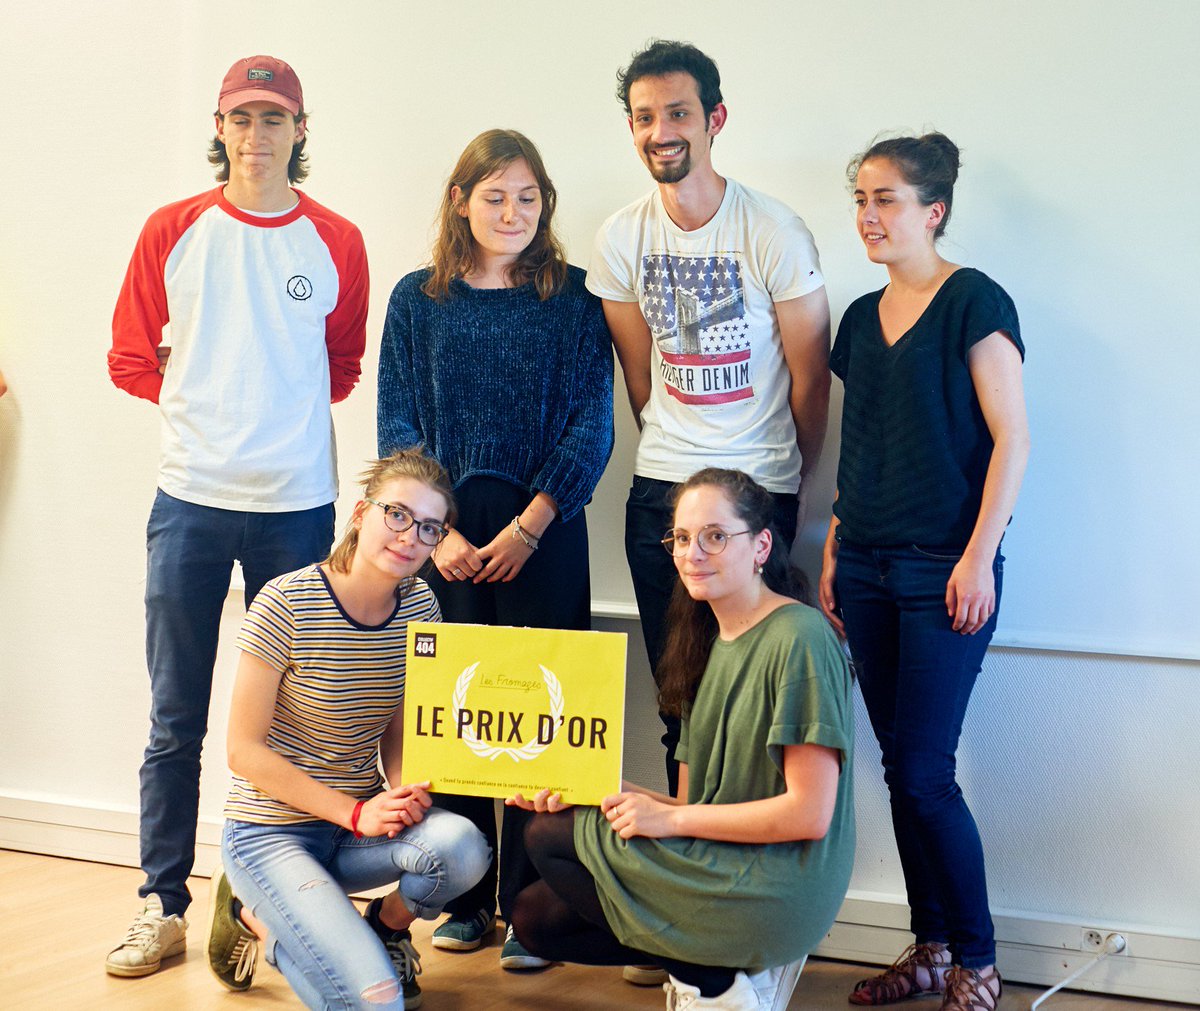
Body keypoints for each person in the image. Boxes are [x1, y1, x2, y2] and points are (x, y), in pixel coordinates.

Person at [105, 55, 368, 977]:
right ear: (218, 127)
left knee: (300, 722)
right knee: (176, 713)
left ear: (300, 131)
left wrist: (269, 424)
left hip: (298, 509)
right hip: (190, 503)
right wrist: (207, 414)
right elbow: (130, 356)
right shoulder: (172, 230)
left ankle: (259, 901)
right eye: (241, 117)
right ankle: (160, 903)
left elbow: (341, 366)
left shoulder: (336, 239)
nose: (256, 135)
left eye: (274, 119)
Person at [377, 129, 614, 969]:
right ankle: (468, 896)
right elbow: (399, 423)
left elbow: (593, 422)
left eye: (527, 197)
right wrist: (436, 535)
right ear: (459, 200)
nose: (512, 212)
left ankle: (532, 907)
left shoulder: (575, 299)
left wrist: (529, 525)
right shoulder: (416, 300)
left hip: (543, 530)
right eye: (494, 196)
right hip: (445, 535)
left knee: (539, 717)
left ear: (545, 204)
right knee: (459, 718)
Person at [508, 468, 855, 1011]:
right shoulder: (705, 643)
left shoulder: (800, 638)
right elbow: (694, 805)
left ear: (762, 545)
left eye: (716, 536)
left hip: (783, 879)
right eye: (682, 538)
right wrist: (597, 788)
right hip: (719, 853)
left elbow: (807, 814)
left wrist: (665, 820)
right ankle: (715, 976)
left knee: (549, 835)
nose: (694, 553)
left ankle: (717, 987)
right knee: (533, 916)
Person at [586, 40, 831, 796]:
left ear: (714, 118)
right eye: (644, 116)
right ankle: (688, 869)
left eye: (679, 113)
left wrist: (787, 481)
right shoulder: (621, 237)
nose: (661, 130)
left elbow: (811, 379)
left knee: (765, 704)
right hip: (661, 489)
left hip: (758, 487)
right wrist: (678, 446)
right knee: (680, 702)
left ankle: (760, 883)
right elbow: (638, 373)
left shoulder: (774, 231)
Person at [818, 133, 1029, 1011]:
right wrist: (833, 547)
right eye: (861, 199)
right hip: (863, 565)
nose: (869, 215)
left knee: (925, 771)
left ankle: (979, 960)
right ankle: (931, 946)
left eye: (887, 199)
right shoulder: (861, 320)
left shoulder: (974, 300)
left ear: (932, 210)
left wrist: (979, 554)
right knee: (903, 766)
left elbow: (1012, 439)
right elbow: (857, 444)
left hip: (946, 570)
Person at [205, 449, 491, 1009]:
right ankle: (253, 916)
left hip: (353, 833)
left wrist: (407, 788)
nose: (410, 536)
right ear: (362, 513)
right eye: (398, 514)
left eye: (430, 528)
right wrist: (356, 811)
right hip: (272, 832)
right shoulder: (286, 602)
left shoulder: (420, 606)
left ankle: (384, 927)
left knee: (462, 848)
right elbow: (242, 752)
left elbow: (397, 721)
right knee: (377, 998)